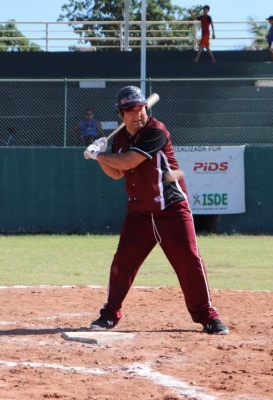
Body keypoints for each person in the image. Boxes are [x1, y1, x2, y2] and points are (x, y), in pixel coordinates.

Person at [82, 86, 230, 335]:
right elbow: (117, 173)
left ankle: (208, 317)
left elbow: (129, 161)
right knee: (123, 263)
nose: (137, 114)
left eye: (140, 108)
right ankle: (109, 314)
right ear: (121, 114)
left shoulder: (156, 131)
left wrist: (99, 156)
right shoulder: (119, 140)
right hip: (139, 213)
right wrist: (102, 157)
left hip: (171, 209)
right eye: (130, 110)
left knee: (189, 262)